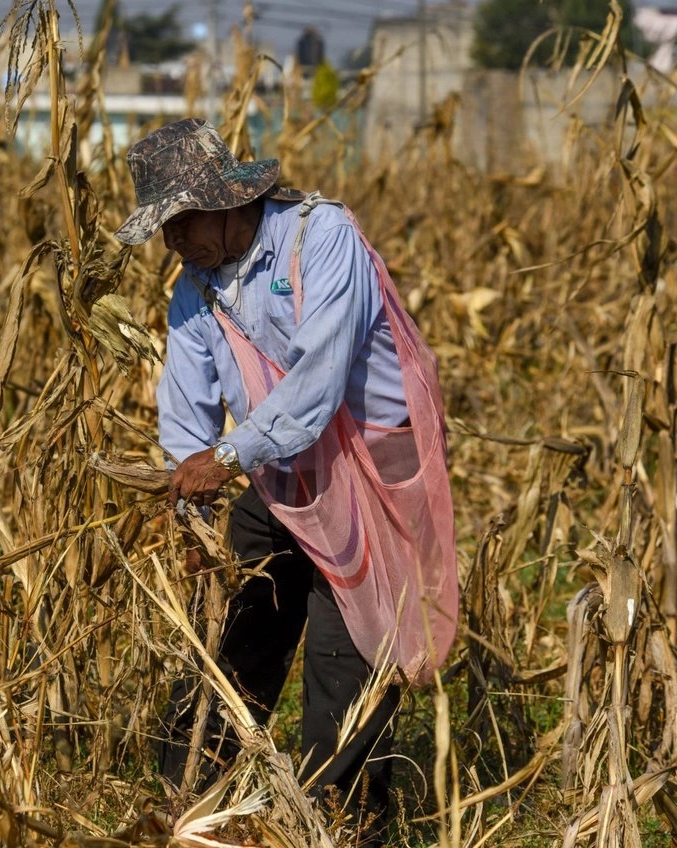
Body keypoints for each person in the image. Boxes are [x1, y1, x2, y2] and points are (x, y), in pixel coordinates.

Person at [114, 118, 457, 846]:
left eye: (182, 222)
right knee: (232, 628)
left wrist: (227, 461)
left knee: (349, 658)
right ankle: (190, 808)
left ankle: (337, 825)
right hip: (278, 468)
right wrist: (195, 510)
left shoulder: (319, 237)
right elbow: (185, 414)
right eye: (165, 229)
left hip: (368, 466)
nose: (175, 242)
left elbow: (317, 384)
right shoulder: (197, 290)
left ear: (229, 203)